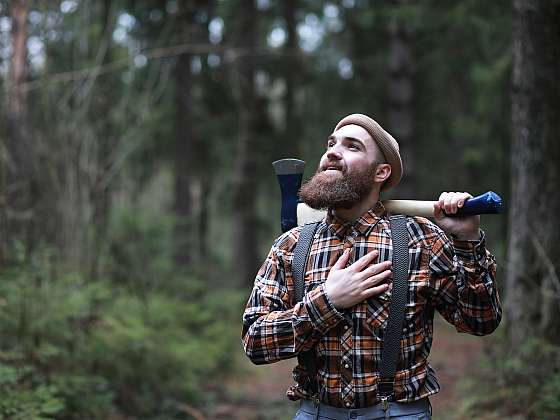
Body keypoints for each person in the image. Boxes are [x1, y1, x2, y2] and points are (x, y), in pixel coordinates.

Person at [241, 113, 502, 420]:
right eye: (331, 144)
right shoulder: (291, 245)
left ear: (381, 172)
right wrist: (327, 302)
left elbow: (480, 321)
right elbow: (255, 342)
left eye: (352, 146)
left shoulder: (420, 238)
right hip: (315, 413)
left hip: (399, 413)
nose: (332, 152)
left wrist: (468, 242)